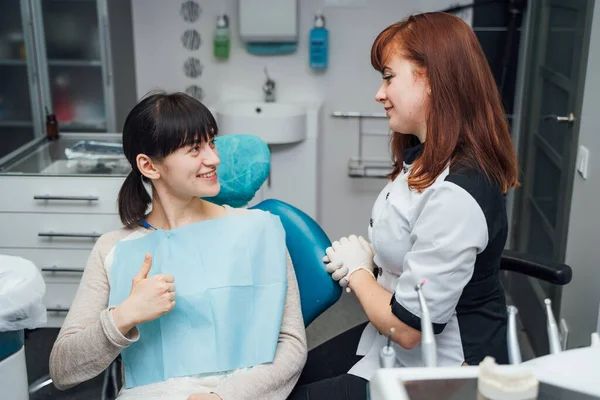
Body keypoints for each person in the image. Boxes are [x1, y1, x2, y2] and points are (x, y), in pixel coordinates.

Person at [289, 12, 519, 400]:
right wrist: (374, 259)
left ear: (432, 79)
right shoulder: (426, 158)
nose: (379, 93)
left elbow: (411, 329)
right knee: (287, 381)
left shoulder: (457, 192)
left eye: (389, 77)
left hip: (442, 366)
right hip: (390, 342)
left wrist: (360, 273)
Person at [49, 92, 307, 400]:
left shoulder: (257, 229)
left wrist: (224, 397)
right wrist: (124, 316)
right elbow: (62, 371)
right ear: (149, 166)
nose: (214, 158)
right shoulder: (115, 249)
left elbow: (291, 345)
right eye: (195, 149)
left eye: (211, 142)